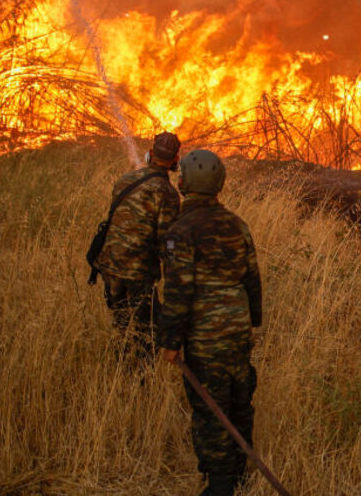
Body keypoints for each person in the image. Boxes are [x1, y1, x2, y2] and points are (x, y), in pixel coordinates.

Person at [159, 149, 263, 496]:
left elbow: (178, 292)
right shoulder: (238, 223)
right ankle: (240, 472)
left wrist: (171, 342)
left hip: (205, 336)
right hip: (238, 328)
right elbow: (252, 278)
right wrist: (253, 320)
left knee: (210, 409)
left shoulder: (181, 230)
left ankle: (220, 485)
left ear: (184, 181)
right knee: (238, 401)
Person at [94, 132, 181, 362]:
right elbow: (167, 241)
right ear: (175, 161)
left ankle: (117, 367)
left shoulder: (125, 180)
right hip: (137, 271)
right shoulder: (167, 194)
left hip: (109, 263)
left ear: (150, 154)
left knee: (121, 323)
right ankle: (140, 381)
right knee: (148, 331)